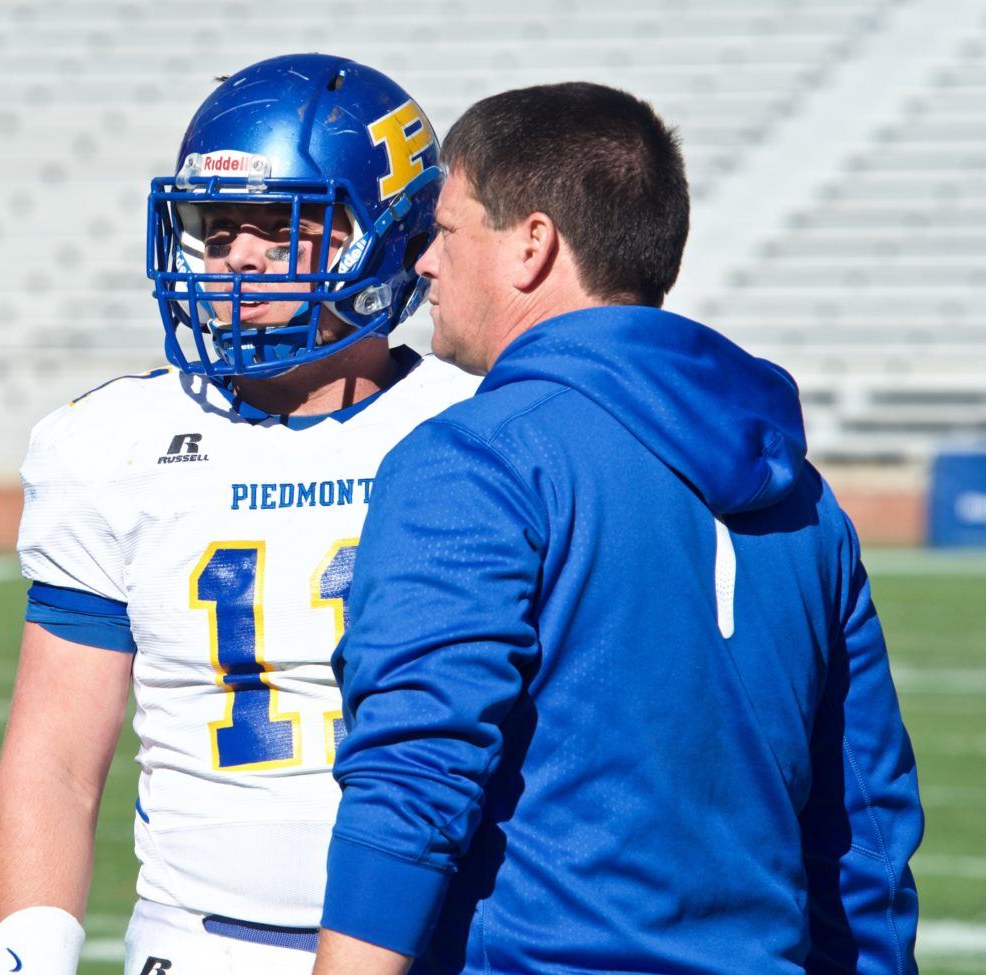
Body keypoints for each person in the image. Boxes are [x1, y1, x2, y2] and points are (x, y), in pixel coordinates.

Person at [315, 83, 923, 975]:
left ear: (533, 244)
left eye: (445, 231)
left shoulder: (476, 458)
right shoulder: (806, 497)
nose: (424, 266)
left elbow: (412, 782)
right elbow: (863, 833)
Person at [0, 53, 477, 975]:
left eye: (280, 227)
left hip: (439, 936)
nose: (239, 256)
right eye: (218, 230)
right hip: (198, 940)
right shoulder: (112, 445)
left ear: (382, 236)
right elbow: (54, 757)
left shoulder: (475, 425)